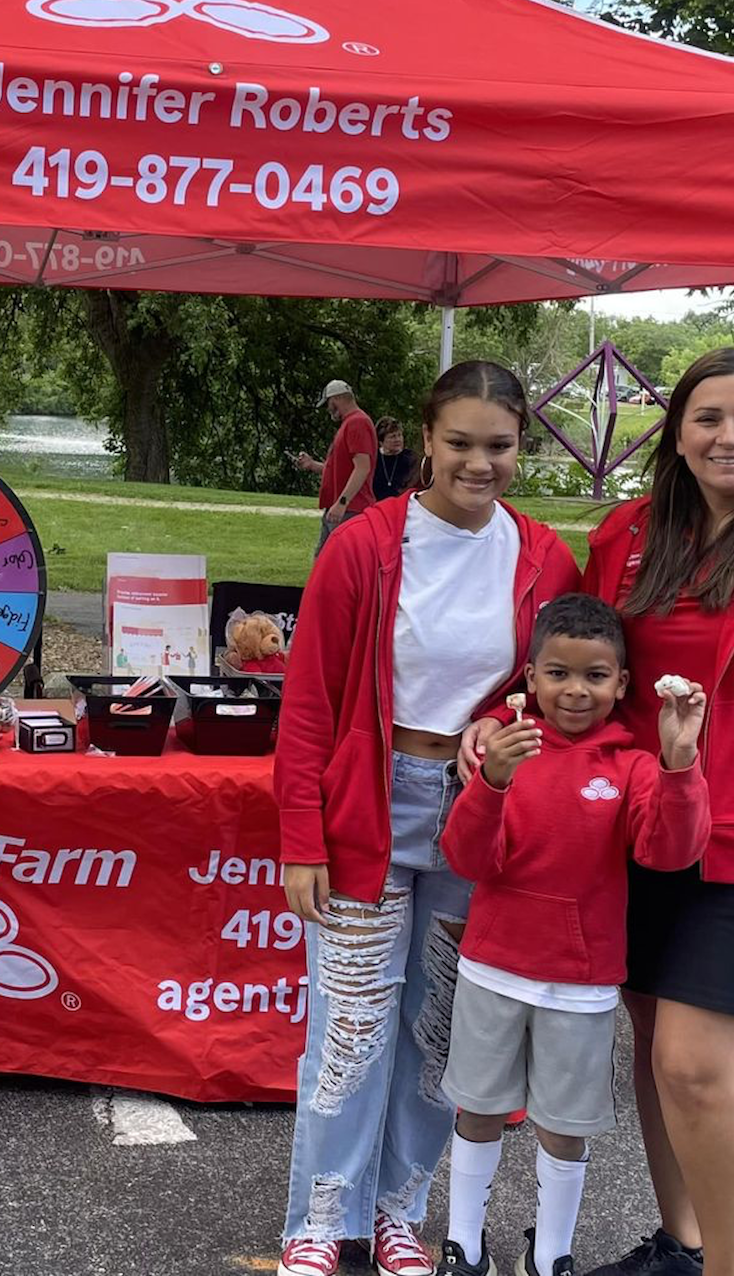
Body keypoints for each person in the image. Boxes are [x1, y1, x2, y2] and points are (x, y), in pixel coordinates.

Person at [459, 348, 734, 1276]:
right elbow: (572, 661)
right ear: (678, 435)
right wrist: (497, 719)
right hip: (637, 839)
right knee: (656, 1051)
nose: (729, 436)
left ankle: (727, 1270)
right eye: (708, 418)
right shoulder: (626, 537)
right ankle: (680, 1246)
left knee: (694, 1066)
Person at [275, 360, 581, 1276]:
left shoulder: (545, 558)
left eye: (499, 446)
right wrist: (300, 839)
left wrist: (507, 719)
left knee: (438, 1031)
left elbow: (560, 690)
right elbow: (307, 708)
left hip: (477, 820)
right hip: (366, 812)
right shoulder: (362, 547)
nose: (478, 463)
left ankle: (401, 1211)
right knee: (350, 1027)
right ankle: (318, 1222)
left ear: (521, 447)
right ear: (425, 440)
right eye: (460, 444)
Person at [437, 593, 710, 1276]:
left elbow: (667, 855)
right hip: (491, 969)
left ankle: (551, 1253)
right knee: (478, 1109)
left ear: (621, 684)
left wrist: (680, 764)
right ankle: (463, 1245)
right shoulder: (503, 754)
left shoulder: (634, 767)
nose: (575, 690)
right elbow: (468, 860)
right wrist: (492, 784)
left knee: (563, 1126)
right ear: (529, 678)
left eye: (594, 676)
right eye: (557, 673)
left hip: (580, 987)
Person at [292, 380, 379, 556]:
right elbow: (339, 471)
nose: (329, 410)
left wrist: (342, 503)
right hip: (339, 509)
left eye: (329, 405)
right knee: (323, 563)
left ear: (336, 398)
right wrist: (312, 465)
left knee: (336, 564)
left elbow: (362, 468)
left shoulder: (358, 423)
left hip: (349, 509)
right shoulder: (349, 424)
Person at [373, 416, 418, 500]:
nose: (397, 439)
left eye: (399, 435)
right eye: (392, 436)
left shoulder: (410, 458)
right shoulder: (374, 458)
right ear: (381, 442)